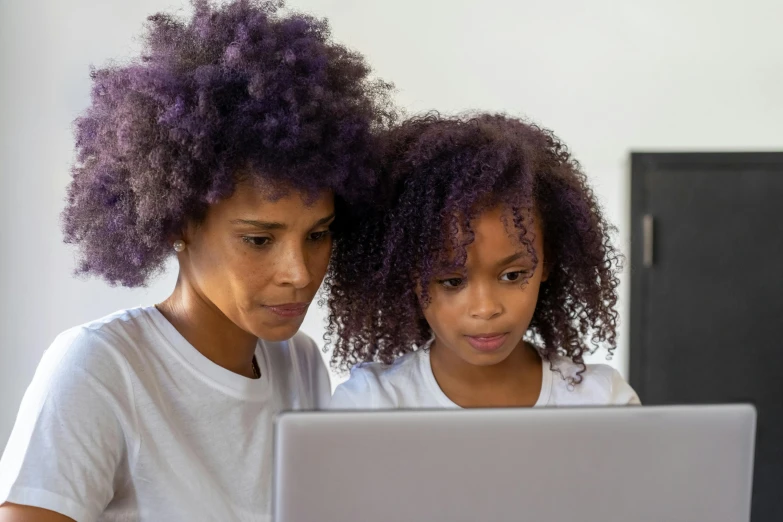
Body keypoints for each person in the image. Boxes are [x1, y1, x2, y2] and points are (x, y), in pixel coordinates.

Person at [0, 1, 393, 520]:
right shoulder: (100, 368)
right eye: (259, 239)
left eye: (318, 235)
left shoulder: (298, 364)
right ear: (180, 223)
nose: (299, 274)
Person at [327, 113, 640, 409]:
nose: (486, 308)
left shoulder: (602, 401)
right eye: (452, 281)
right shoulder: (370, 404)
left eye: (513, 276)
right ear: (409, 274)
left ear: (546, 263)